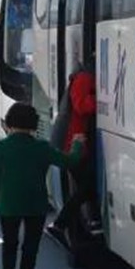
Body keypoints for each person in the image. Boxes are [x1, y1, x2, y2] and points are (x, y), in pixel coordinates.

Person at [0, 103, 85, 269]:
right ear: (33, 124)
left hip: (9, 204)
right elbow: (70, 162)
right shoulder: (42, 147)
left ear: (10, 123)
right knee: (30, 248)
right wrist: (77, 144)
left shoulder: (2, 147)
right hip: (35, 205)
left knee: (10, 243)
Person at [47, 64, 97, 247]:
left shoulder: (82, 77)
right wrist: (102, 99)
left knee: (85, 187)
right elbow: (81, 105)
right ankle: (60, 224)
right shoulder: (84, 78)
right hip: (72, 143)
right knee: (87, 186)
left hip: (74, 141)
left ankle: (69, 225)